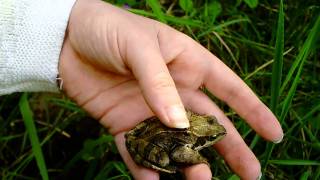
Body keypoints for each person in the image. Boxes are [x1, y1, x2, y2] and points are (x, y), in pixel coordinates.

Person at [0, 0, 284, 179]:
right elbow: (184, 154)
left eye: (208, 129)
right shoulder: (190, 144)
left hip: (147, 130)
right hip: (152, 139)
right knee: (167, 160)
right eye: (207, 136)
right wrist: (196, 155)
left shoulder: (188, 122)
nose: (213, 130)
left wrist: (62, 30)